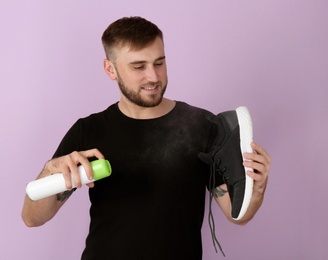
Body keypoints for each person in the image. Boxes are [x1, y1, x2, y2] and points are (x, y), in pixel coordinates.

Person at [21, 16, 271, 259]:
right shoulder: (89, 130)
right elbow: (32, 218)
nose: (153, 77)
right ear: (111, 69)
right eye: (139, 67)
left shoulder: (203, 126)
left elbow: (237, 214)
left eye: (159, 63)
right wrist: (49, 172)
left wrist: (256, 189)